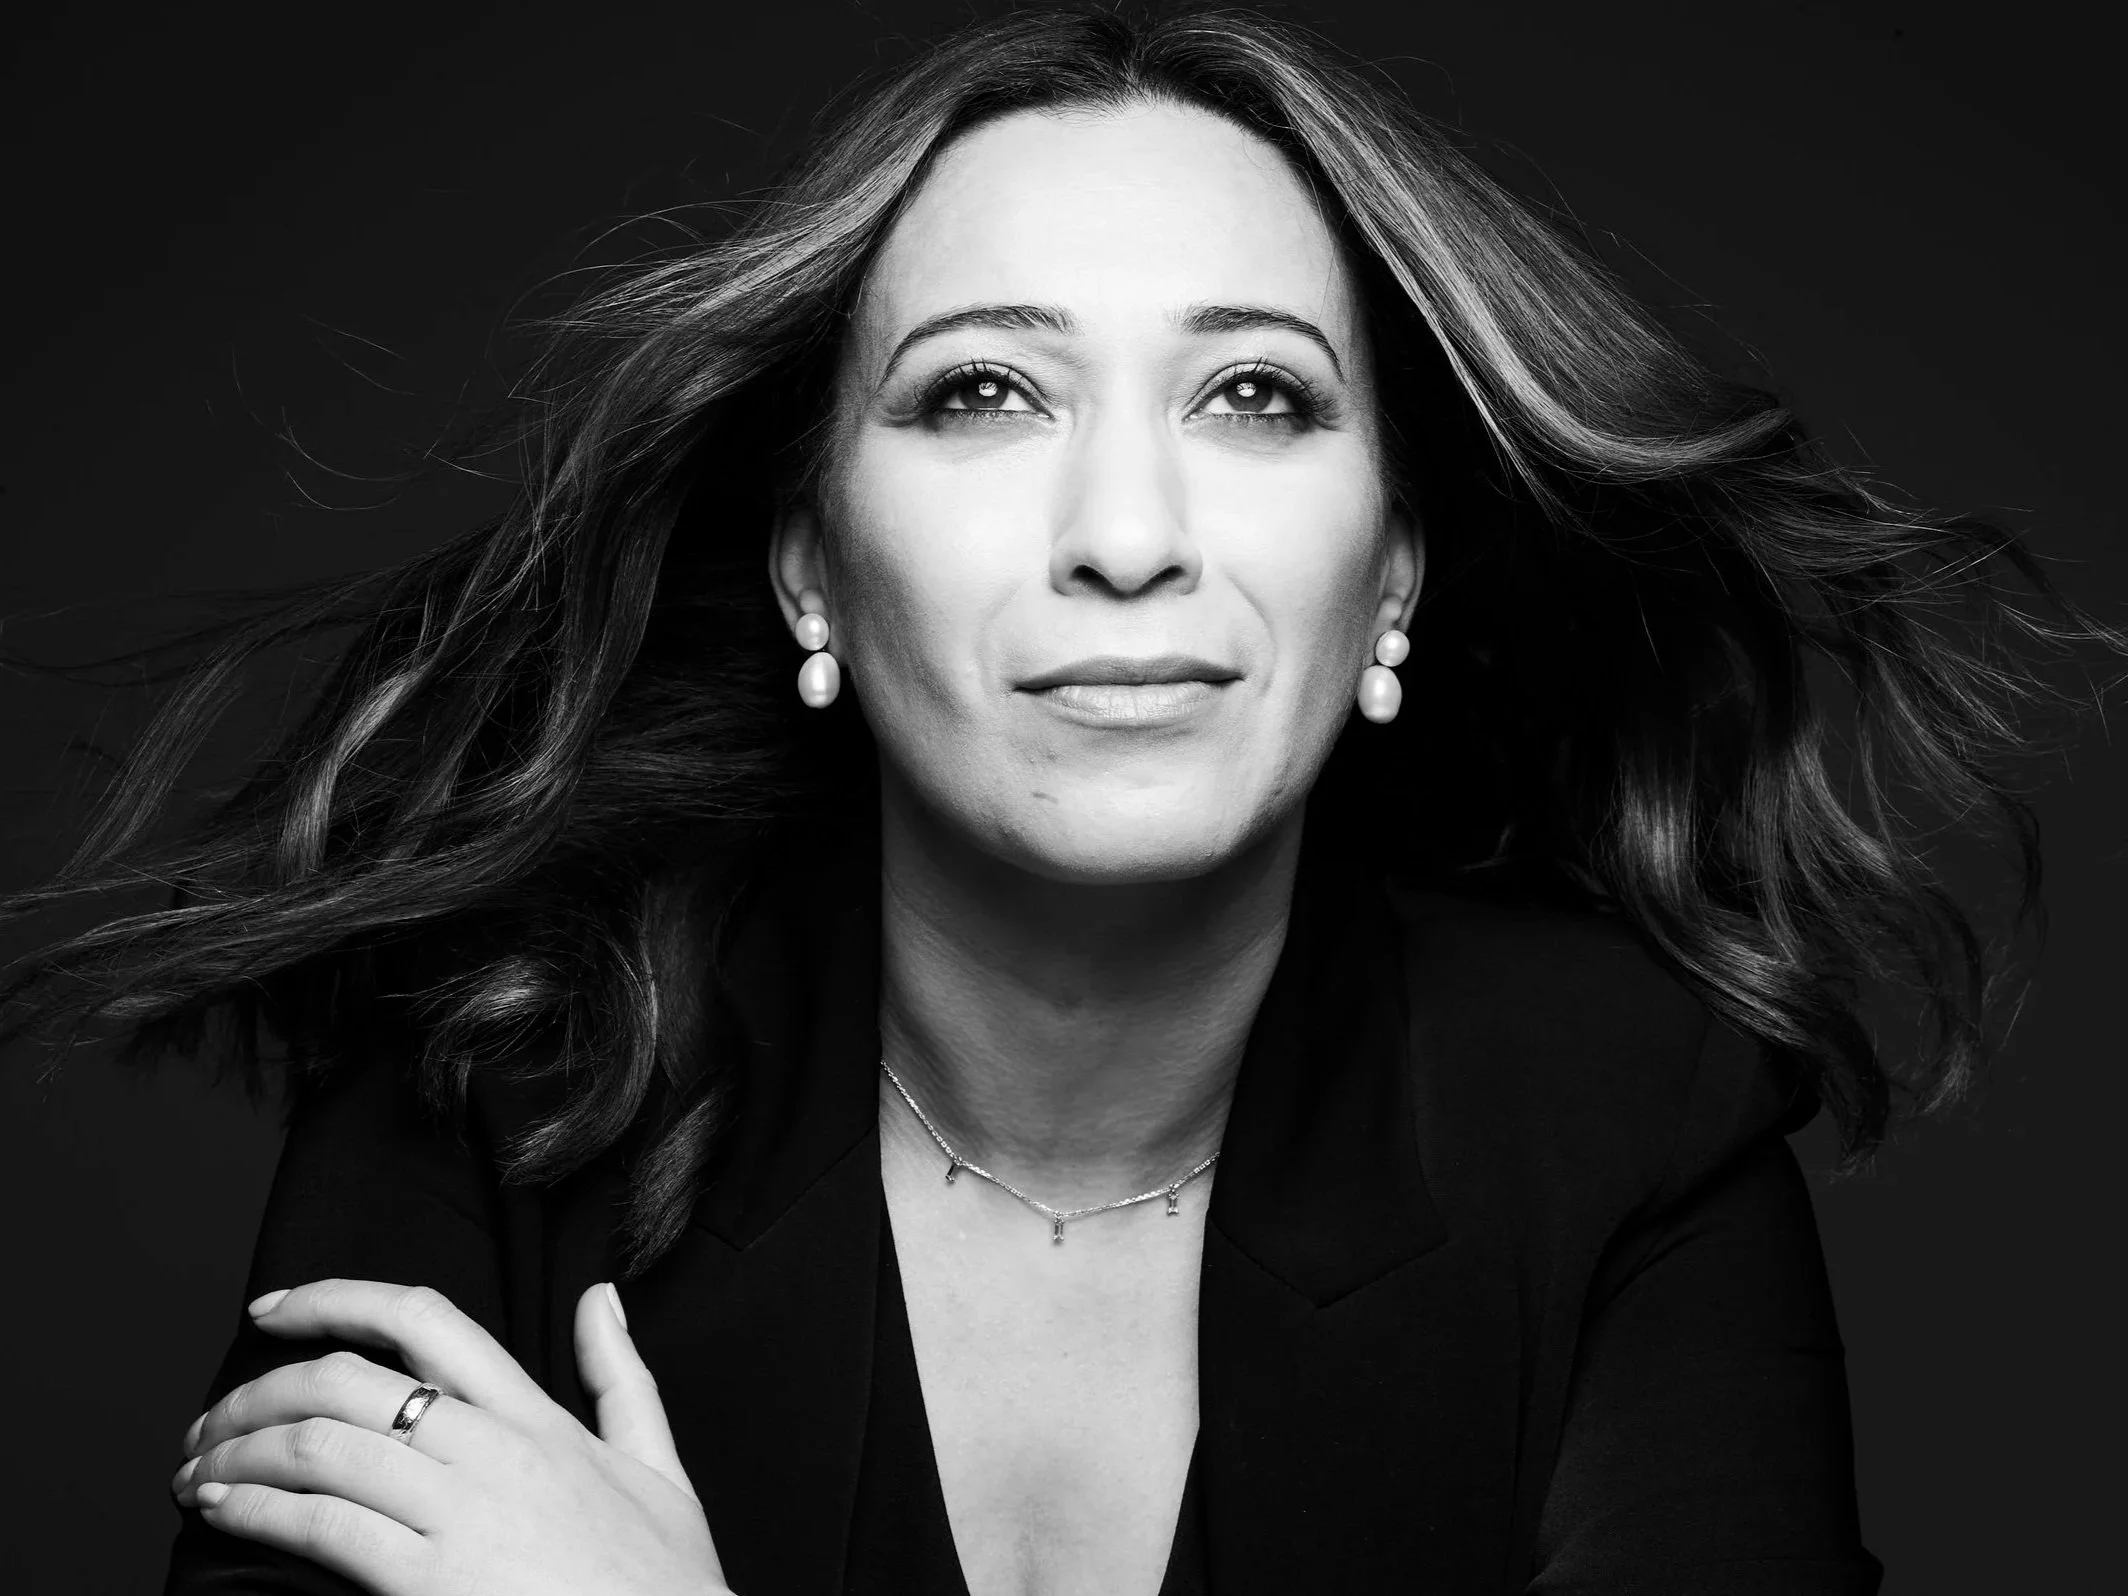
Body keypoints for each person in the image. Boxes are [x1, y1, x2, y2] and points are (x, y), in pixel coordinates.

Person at [3, 6, 2109, 1593]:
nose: (1124, 530)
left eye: (1252, 396)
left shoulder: (1621, 1123)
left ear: (1386, 579)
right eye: (984, 392)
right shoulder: (496, 1077)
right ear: (813, 566)